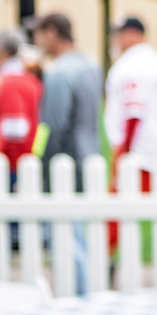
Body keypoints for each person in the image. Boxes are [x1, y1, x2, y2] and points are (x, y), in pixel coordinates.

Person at [104, 16, 157, 260]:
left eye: (119, 34)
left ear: (131, 34)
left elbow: (133, 112)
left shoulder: (130, 65)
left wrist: (123, 151)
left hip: (140, 149)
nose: (116, 40)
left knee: (117, 208)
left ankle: (104, 257)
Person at [33, 14, 102, 195]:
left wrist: (38, 159)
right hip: (91, 154)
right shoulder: (92, 66)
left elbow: (52, 126)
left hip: (65, 162)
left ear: (51, 33)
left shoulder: (58, 72)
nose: (35, 40)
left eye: (37, 34)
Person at [0, 29, 41, 182]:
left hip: (12, 164)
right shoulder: (28, 78)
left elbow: (14, 130)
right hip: (25, 158)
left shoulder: (11, 82)